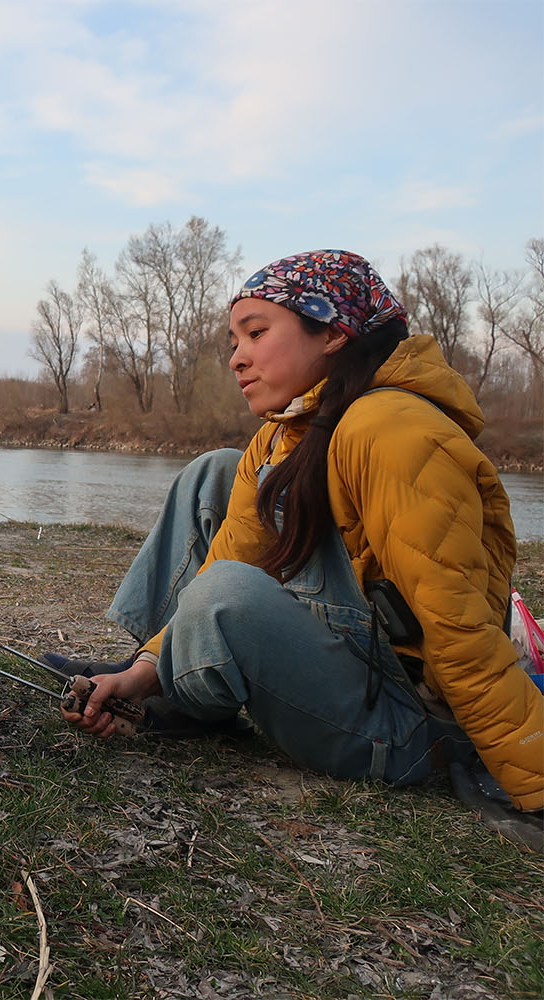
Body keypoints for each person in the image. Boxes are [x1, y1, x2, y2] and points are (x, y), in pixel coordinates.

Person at [57, 249, 543, 842]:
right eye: (234, 340)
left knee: (225, 594)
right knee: (215, 474)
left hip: (405, 723)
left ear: (335, 334)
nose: (237, 357)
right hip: (350, 659)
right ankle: (170, 692)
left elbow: (457, 628)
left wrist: (533, 780)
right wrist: (143, 673)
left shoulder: (394, 432)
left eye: (257, 333)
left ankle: (187, 687)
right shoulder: (286, 434)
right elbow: (232, 553)